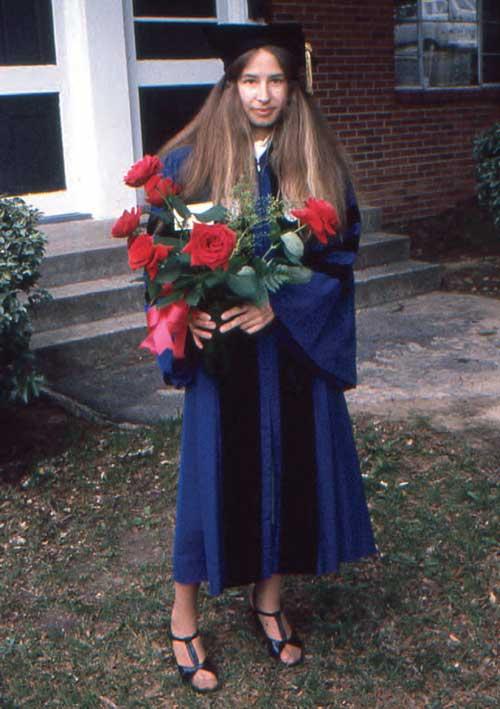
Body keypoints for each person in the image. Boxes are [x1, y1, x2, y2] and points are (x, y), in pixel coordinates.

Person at [149, 23, 378, 694]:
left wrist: (283, 305)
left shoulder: (317, 164)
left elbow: (340, 260)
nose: (264, 93)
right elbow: (160, 261)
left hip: (291, 350)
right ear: (230, 86)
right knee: (210, 473)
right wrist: (181, 311)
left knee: (287, 468)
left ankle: (268, 600)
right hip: (222, 354)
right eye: (250, 79)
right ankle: (184, 611)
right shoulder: (187, 164)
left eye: (276, 79)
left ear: (292, 87)